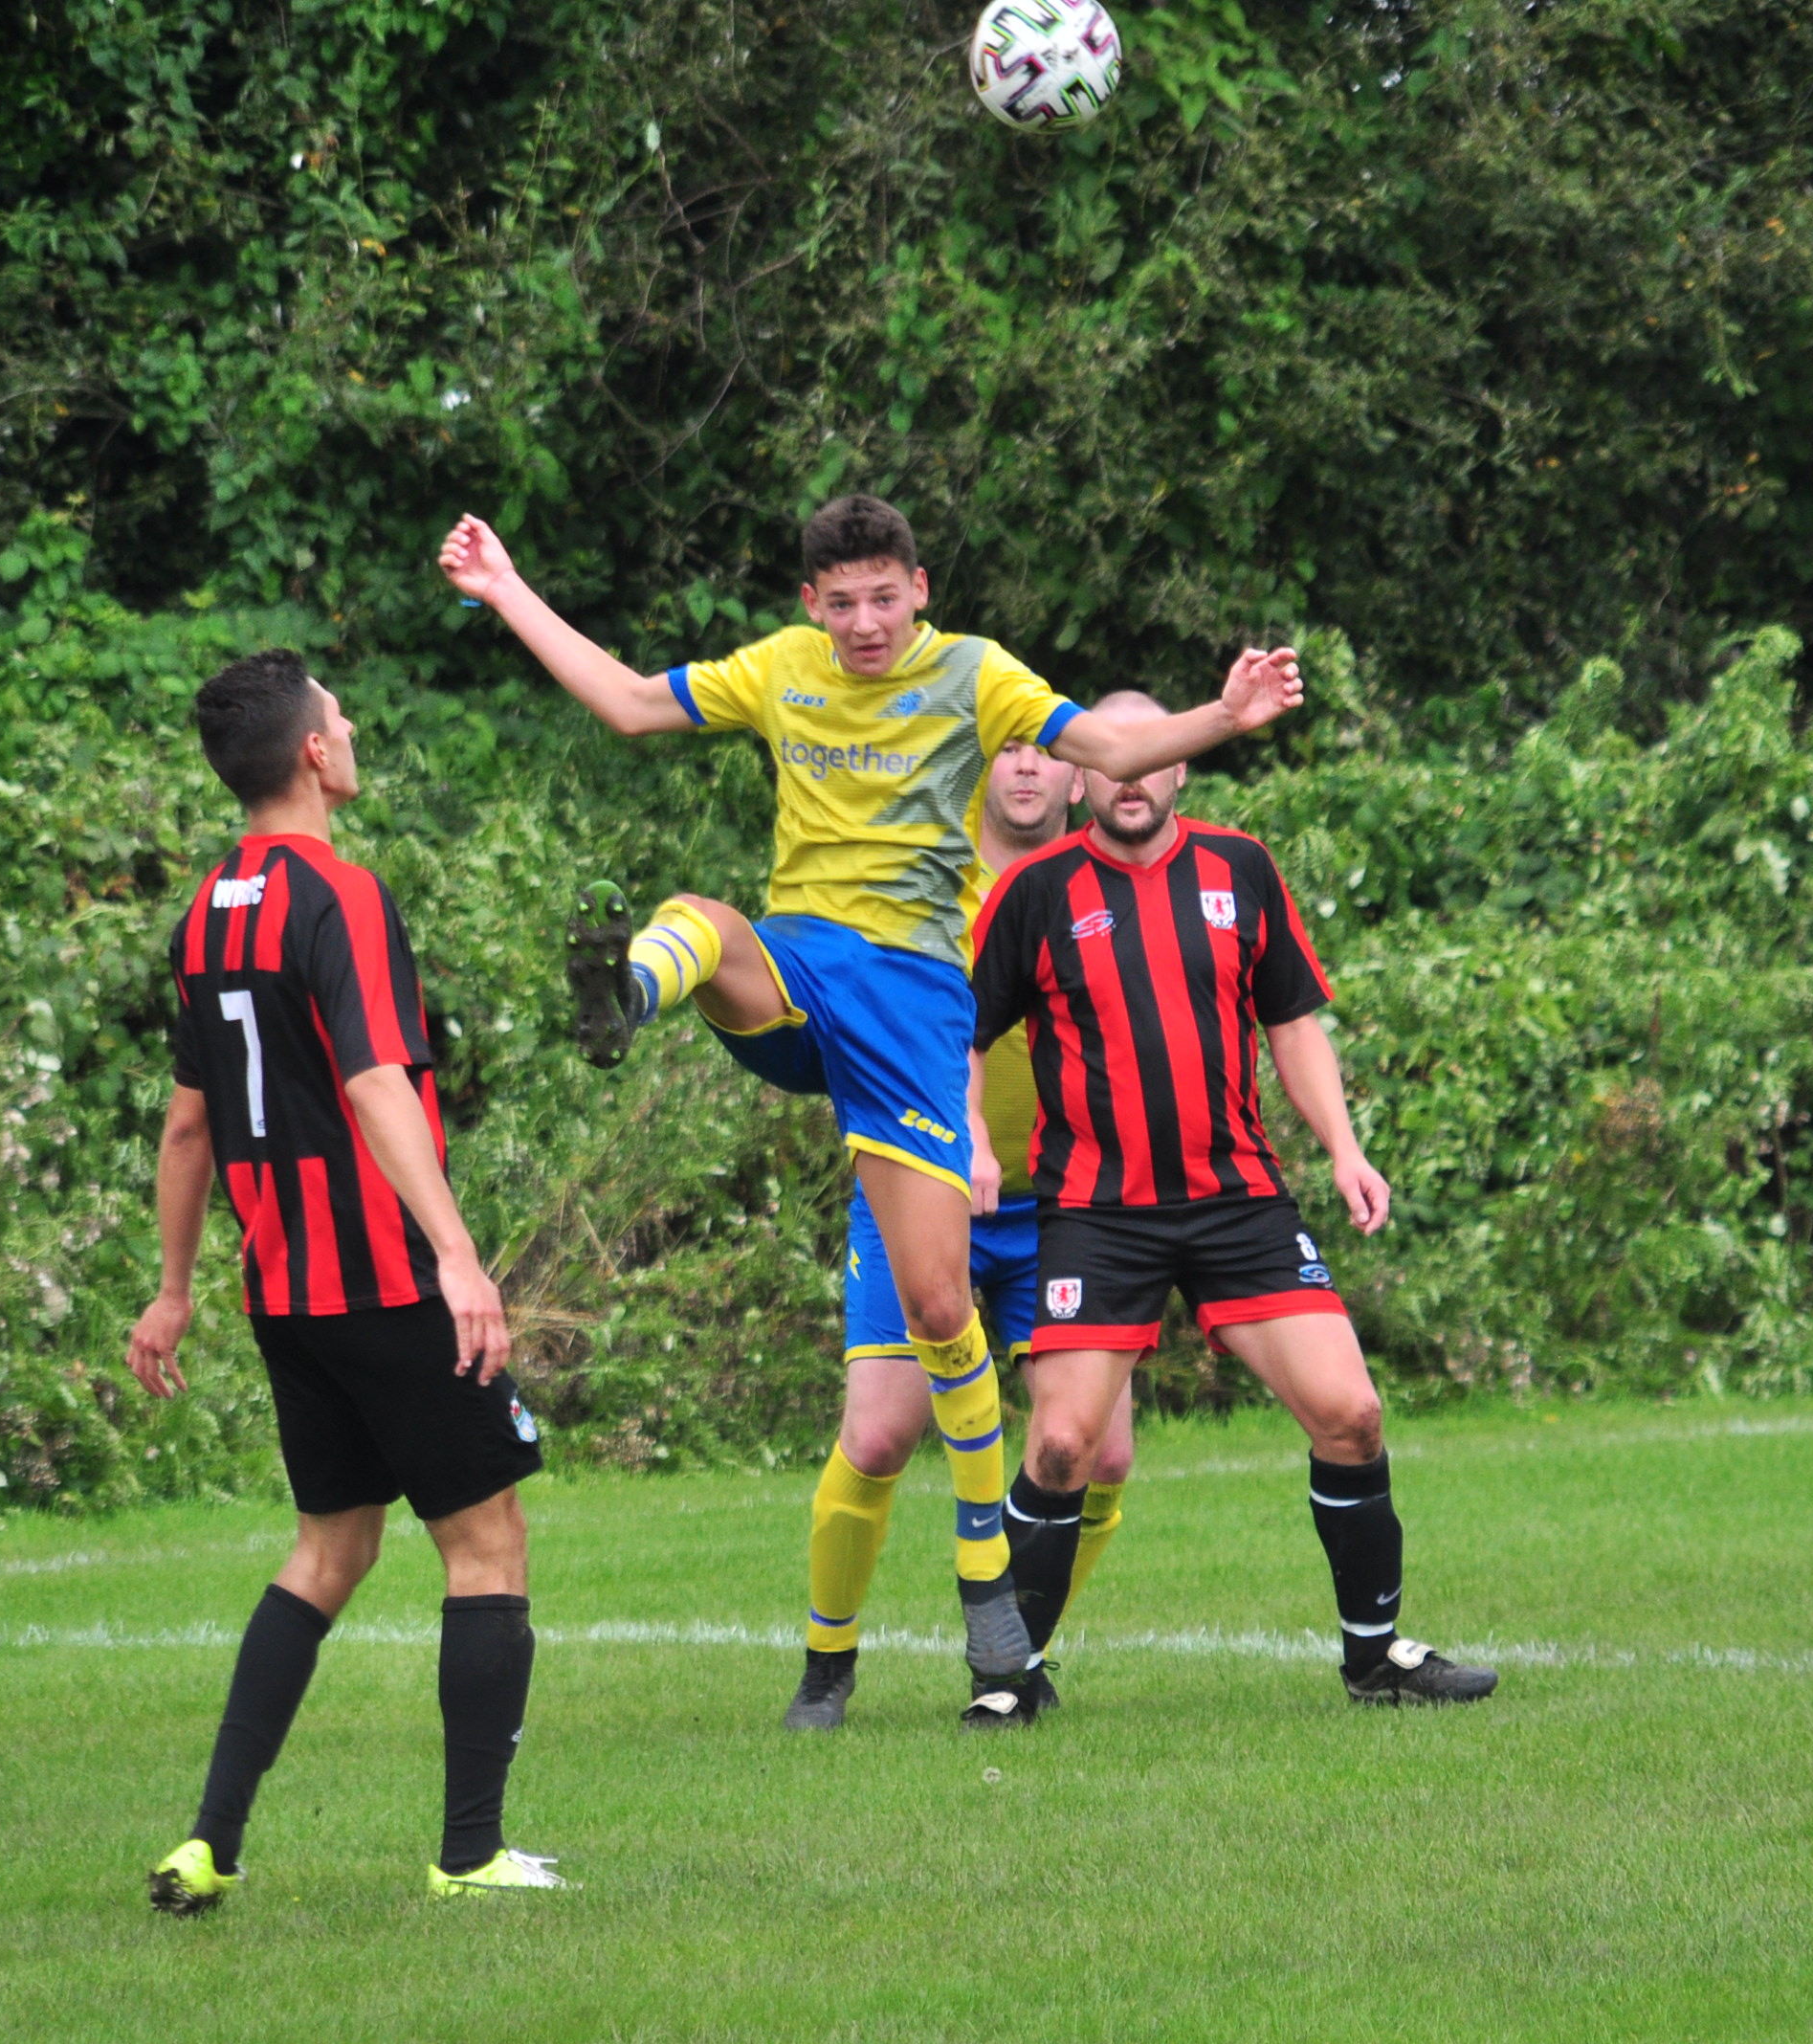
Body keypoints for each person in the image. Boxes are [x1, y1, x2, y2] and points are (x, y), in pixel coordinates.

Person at [437, 497, 1297, 1719]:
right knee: (703, 918)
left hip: (910, 1007)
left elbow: (1102, 755)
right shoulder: (780, 671)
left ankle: (989, 1591)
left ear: (919, 589)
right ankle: (627, 996)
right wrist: (508, 586)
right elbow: (631, 703)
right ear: (809, 607)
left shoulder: (974, 675)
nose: (862, 623)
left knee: (943, 1308)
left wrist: (1227, 714)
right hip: (800, 968)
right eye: (838, 603)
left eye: (882, 597)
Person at [968, 692, 1498, 1717]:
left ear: (1179, 769)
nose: (1129, 776)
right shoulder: (1034, 892)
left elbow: (1294, 1025)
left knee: (1352, 1414)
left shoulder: (1239, 869)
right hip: (1094, 1208)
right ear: (1080, 779)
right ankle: (1008, 1680)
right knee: (1063, 1447)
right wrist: (978, 1140)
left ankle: (1374, 1659)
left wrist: (1345, 1149)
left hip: (1237, 1199)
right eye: (1108, 760)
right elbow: (963, 1036)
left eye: (1149, 757)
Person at [127, 650, 557, 1912]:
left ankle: (209, 1842)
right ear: (314, 752)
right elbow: (375, 1084)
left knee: (329, 1550)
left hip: (285, 1294)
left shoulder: (206, 911)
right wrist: (458, 1257)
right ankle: (471, 1857)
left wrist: (173, 1288)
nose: (352, 724)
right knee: (486, 1544)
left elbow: (188, 1127)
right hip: (377, 1278)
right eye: (338, 713)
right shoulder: (343, 897)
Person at [784, 738, 1139, 1728]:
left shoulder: (1110, 882)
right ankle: (827, 1663)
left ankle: (1015, 1658)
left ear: (1081, 776)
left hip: (1070, 1202)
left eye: (1048, 750)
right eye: (1008, 749)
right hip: (923, 1184)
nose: (1027, 768)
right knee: (882, 1432)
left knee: (1102, 1457)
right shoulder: (925, 879)